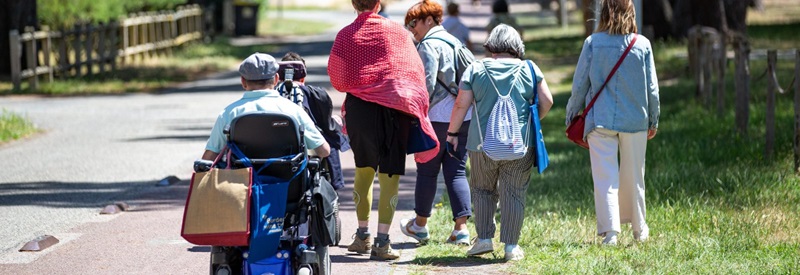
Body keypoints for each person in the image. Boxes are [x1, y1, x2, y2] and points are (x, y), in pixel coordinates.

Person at [327, 0, 438, 261]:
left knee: (363, 171)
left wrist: (362, 85)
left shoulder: (345, 35)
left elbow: (337, 78)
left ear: (354, 4)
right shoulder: (398, 32)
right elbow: (413, 73)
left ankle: (362, 237)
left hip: (360, 111)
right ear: (378, 3)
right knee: (390, 176)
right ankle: (382, 243)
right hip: (394, 110)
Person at [446, 24, 553, 261]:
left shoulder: (476, 68)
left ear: (491, 45)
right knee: (514, 193)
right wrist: (531, 122)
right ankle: (511, 248)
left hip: (481, 145)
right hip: (520, 145)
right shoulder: (530, 69)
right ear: (517, 46)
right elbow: (547, 101)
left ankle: (484, 240)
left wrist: (452, 134)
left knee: (482, 189)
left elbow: (461, 105)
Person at [564, 0, 659, 245]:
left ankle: (611, 233)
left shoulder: (592, 43)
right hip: (635, 119)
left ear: (604, 13)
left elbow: (580, 84)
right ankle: (639, 229)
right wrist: (653, 119)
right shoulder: (643, 44)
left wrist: (572, 114)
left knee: (604, 176)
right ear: (631, 12)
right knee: (635, 176)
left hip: (600, 118)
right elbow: (652, 88)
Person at [399, 0, 473, 246]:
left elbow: (425, 85)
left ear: (428, 20)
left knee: (427, 172)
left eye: (414, 23)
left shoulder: (428, 45)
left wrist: (414, 113)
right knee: (456, 172)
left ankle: (420, 226)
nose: (412, 29)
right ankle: (461, 230)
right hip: (463, 118)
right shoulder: (456, 43)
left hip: (437, 119)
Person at [201, 52, 331, 162]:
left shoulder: (229, 113)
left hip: (243, 185)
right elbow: (324, 151)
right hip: (288, 185)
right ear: (276, 79)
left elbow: (210, 157)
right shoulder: (293, 110)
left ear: (243, 81)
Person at [276, 52, 348, 191]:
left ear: (278, 77)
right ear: (303, 78)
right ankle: (335, 183)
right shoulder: (317, 93)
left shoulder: (273, 95)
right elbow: (325, 123)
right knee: (331, 133)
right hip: (308, 144)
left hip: (277, 143)